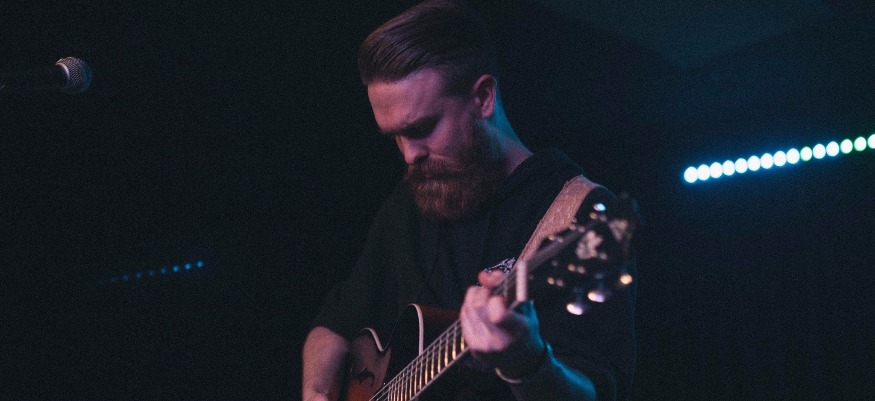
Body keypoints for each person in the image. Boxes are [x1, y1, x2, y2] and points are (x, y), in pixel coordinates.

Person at [301, 1, 635, 400]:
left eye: (422, 128)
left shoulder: (577, 215)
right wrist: (317, 389)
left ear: (483, 97)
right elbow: (336, 321)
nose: (409, 155)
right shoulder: (408, 202)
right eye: (395, 136)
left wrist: (527, 363)